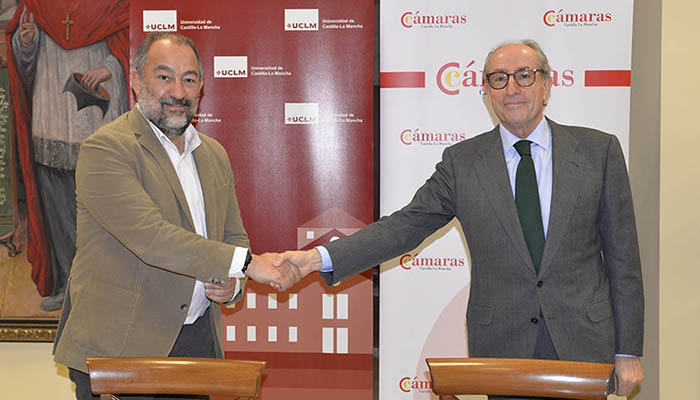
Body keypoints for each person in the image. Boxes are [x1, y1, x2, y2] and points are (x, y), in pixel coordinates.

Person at [276, 40, 644, 397]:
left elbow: (623, 260)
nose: (511, 88)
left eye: (524, 75)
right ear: (487, 92)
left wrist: (628, 351)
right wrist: (316, 259)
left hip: (584, 342)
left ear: (546, 85)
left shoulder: (599, 151)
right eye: (498, 78)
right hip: (503, 347)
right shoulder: (462, 163)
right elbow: (404, 227)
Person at [53, 32, 299, 400]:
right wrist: (248, 264)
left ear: (201, 87)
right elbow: (152, 238)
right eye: (164, 77)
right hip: (120, 349)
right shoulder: (106, 149)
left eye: (189, 79)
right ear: (136, 82)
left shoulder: (213, 154)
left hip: (195, 343)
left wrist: (233, 284)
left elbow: (232, 235)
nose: (178, 92)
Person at [7, 1, 130, 311]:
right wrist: (26, 44)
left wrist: (109, 68)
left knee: (101, 208)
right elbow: (22, 62)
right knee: (57, 209)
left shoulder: (114, 4)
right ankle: (67, 284)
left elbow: (133, 46)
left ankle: (103, 286)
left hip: (97, 120)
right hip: (51, 117)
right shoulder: (38, 4)